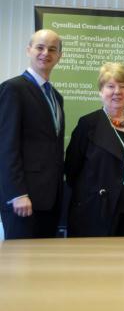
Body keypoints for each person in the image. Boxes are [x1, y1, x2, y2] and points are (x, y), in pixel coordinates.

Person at [65, 62, 124, 237]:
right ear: (101, 91)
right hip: (97, 212)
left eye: (123, 86)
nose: (117, 92)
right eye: (110, 86)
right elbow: (71, 169)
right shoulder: (88, 124)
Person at [0, 29, 65, 239]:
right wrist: (17, 194)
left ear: (59, 56)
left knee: (44, 268)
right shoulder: (13, 89)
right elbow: (6, 145)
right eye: (40, 47)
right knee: (21, 267)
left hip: (50, 200)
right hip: (23, 200)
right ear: (29, 50)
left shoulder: (56, 97)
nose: (46, 53)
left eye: (52, 49)